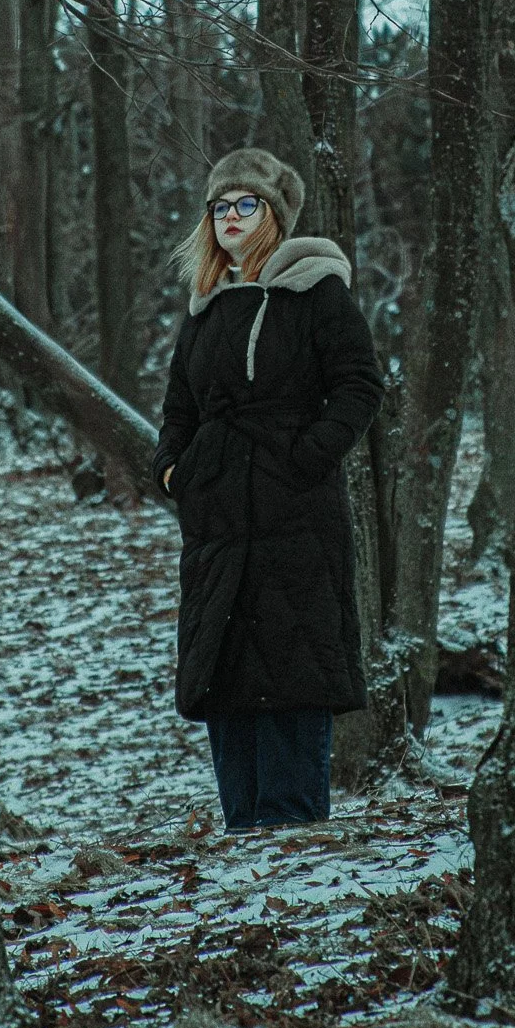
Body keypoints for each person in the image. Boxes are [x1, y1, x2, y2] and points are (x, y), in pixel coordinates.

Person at [152, 148, 383, 832]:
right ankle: (242, 833)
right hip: (217, 520)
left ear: (274, 216)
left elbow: (359, 385)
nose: (229, 218)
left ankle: (294, 838)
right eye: (219, 207)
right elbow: (177, 410)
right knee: (224, 671)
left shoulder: (317, 291)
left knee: (292, 665)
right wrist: (174, 469)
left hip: (296, 516)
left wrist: (305, 456)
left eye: (244, 204)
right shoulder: (204, 307)